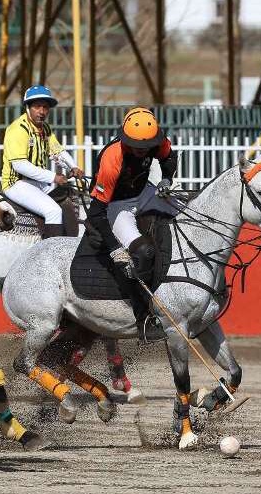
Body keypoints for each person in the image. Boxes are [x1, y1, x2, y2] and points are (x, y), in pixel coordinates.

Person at [87, 106, 179, 343]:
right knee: (143, 251)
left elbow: (169, 157)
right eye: (137, 147)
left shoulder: (155, 139)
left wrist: (167, 179)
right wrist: (114, 247)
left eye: (146, 147)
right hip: (117, 204)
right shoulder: (112, 158)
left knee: (183, 222)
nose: (142, 151)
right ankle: (143, 316)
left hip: (145, 192)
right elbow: (95, 211)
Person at [0, 85, 80, 239]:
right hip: (16, 184)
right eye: (37, 106)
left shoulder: (45, 128)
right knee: (53, 211)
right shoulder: (17, 129)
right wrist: (53, 177)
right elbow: (20, 165)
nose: (42, 111)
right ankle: (51, 255)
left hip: (38, 183)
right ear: (27, 107)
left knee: (71, 198)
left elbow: (58, 150)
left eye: (45, 107)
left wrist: (74, 166)